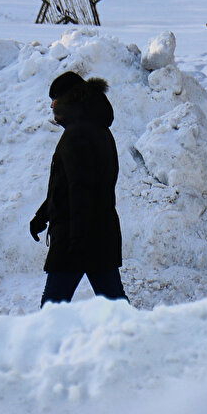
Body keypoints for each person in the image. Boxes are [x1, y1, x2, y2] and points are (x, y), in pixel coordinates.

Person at [29, 71, 128, 307]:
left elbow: (81, 189)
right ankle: (138, 341)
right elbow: (67, 185)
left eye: (54, 98)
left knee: (51, 310)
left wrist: (76, 241)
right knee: (116, 306)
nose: (52, 105)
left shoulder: (78, 135)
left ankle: (48, 345)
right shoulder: (95, 129)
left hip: (77, 239)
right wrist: (41, 216)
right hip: (99, 235)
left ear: (68, 99)